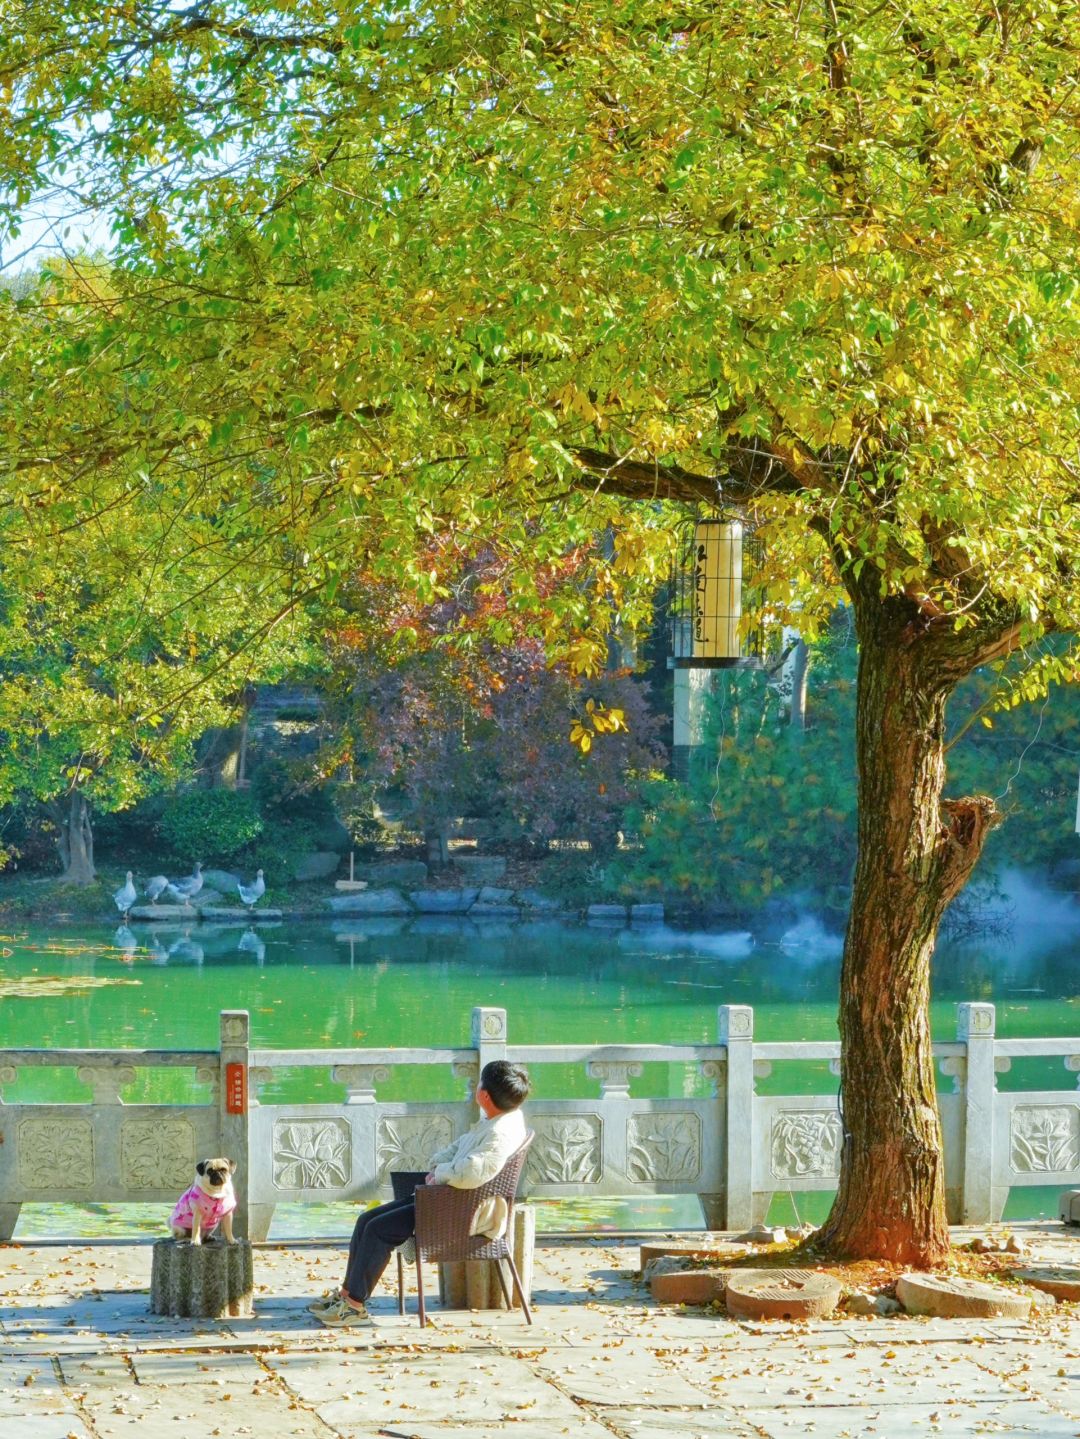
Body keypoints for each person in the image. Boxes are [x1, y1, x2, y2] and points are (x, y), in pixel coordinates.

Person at [312, 1058, 531, 1327]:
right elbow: (460, 1148)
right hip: (449, 1199)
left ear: (484, 1095)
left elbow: (473, 1172)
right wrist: (440, 1164)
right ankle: (347, 1295)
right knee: (366, 1220)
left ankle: (355, 1306)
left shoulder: (500, 1132)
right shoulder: (501, 1119)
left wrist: (440, 1173)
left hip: (462, 1211)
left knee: (378, 1230)